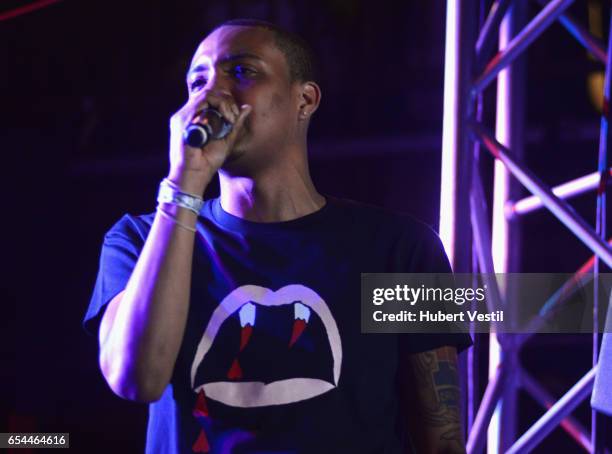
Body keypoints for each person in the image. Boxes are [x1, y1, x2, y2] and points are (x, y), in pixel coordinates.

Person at [83, 18, 471, 454]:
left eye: (242, 71)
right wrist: (183, 187)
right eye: (197, 81)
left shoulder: (402, 248)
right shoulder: (138, 238)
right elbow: (136, 379)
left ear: (304, 99)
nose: (212, 93)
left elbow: (443, 440)